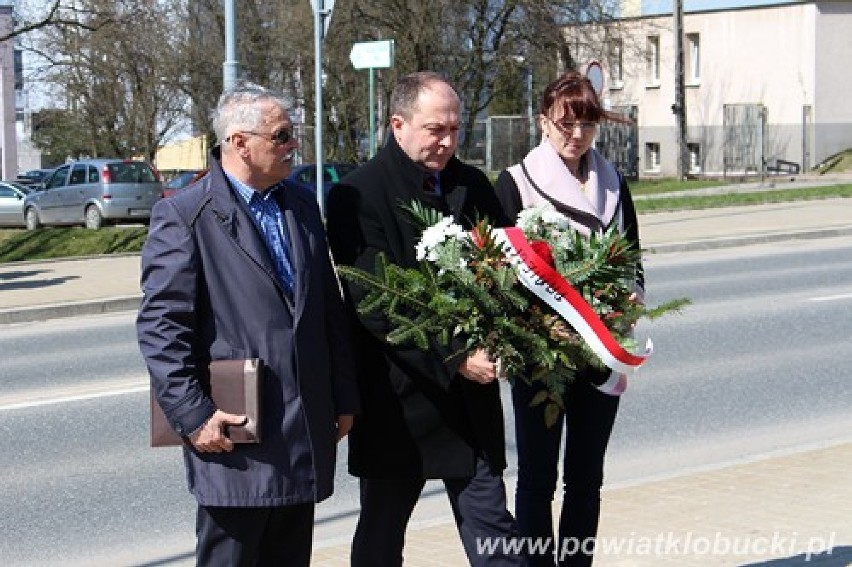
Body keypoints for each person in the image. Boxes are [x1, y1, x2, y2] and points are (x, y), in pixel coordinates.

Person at [136, 82, 359, 566]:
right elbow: (161, 329)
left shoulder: (300, 205)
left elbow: (327, 308)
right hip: (234, 433)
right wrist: (193, 416)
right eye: (281, 136)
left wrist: (343, 395)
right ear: (240, 143)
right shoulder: (184, 215)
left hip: (300, 430)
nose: (292, 145)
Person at [326, 71, 525, 567]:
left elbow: (505, 271)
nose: (448, 141)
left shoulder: (472, 184)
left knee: (493, 526)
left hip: (468, 402)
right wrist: (455, 357)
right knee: (382, 530)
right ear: (398, 125)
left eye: (456, 129)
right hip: (398, 396)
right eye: (436, 129)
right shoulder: (358, 193)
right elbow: (376, 302)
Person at [493, 71, 644, 567]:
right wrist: (538, 328)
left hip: (599, 351)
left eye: (587, 124)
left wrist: (624, 307)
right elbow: (499, 272)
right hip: (541, 355)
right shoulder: (515, 183)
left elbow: (633, 260)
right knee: (537, 480)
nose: (576, 135)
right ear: (543, 122)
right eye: (566, 124)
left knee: (586, 479)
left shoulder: (614, 182)